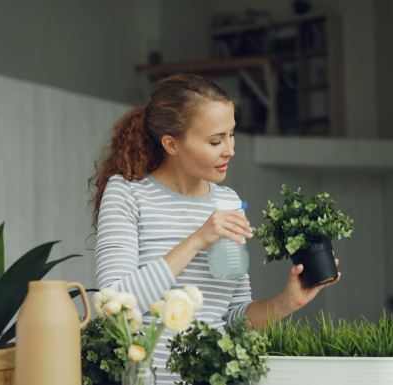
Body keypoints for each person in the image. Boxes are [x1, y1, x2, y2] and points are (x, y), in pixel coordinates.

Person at [89, 73, 341, 384]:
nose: (229, 150)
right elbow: (114, 304)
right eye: (215, 140)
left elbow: (234, 319)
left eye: (232, 135)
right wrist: (197, 240)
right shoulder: (128, 193)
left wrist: (289, 301)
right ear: (171, 144)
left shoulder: (227, 202)